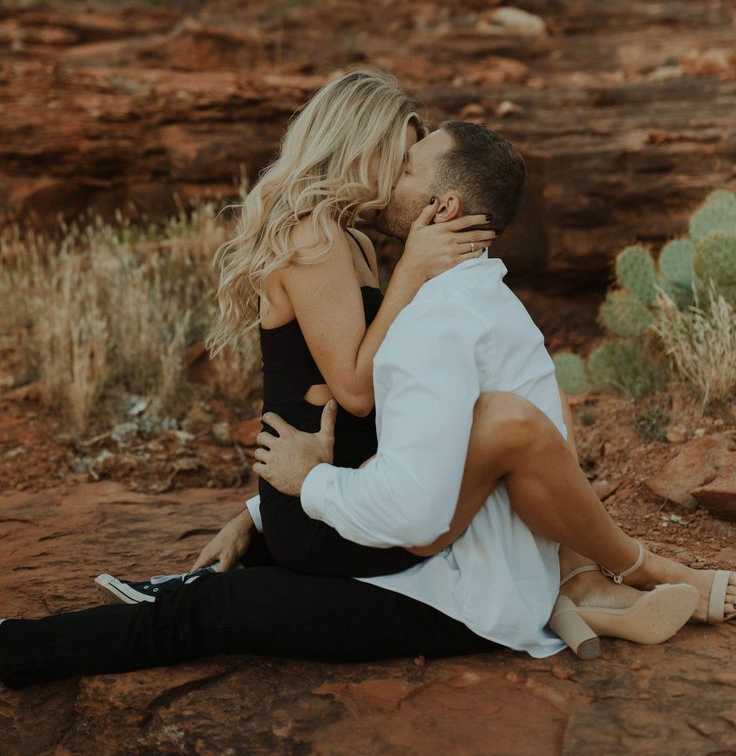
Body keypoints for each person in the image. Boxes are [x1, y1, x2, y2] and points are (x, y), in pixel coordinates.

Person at [3, 109, 734, 687]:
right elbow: (369, 411)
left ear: (439, 205)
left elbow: (395, 470)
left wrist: (298, 485)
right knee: (214, 602)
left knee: (208, 612)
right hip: (407, 540)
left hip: (419, 566)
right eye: (394, 155)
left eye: (407, 166)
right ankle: (605, 587)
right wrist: (266, 508)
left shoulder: (410, 298)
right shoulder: (440, 287)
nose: (391, 178)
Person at [96, 71, 498, 607]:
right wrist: (412, 271)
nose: (407, 181)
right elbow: (356, 390)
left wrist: (251, 516)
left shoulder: (355, 241)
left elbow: (367, 364)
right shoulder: (314, 237)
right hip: (315, 509)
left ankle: (211, 581)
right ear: (355, 147)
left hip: (340, 478)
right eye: (399, 162)